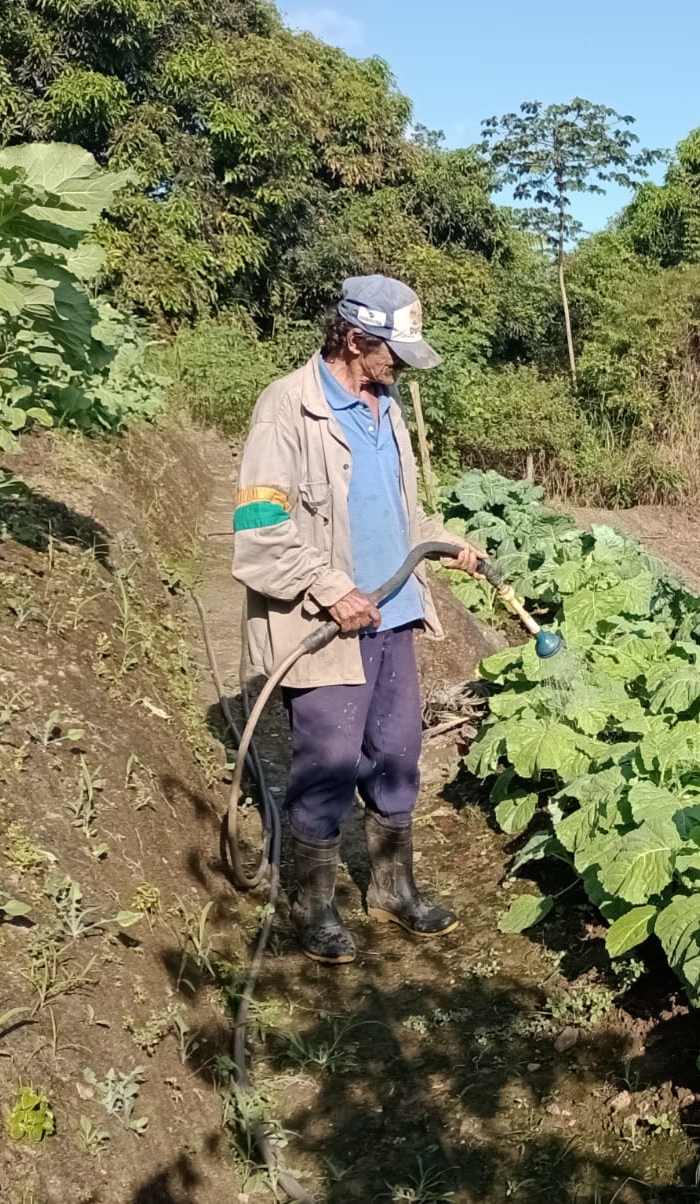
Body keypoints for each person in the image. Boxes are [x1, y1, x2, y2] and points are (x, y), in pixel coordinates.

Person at [231, 275, 483, 964]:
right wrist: (328, 585)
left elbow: (398, 508)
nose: (400, 367)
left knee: (398, 751)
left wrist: (442, 538)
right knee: (329, 760)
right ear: (354, 339)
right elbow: (259, 527)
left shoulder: (387, 406)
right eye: (393, 354)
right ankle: (313, 905)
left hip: (394, 615)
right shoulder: (287, 407)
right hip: (328, 623)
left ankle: (392, 889)